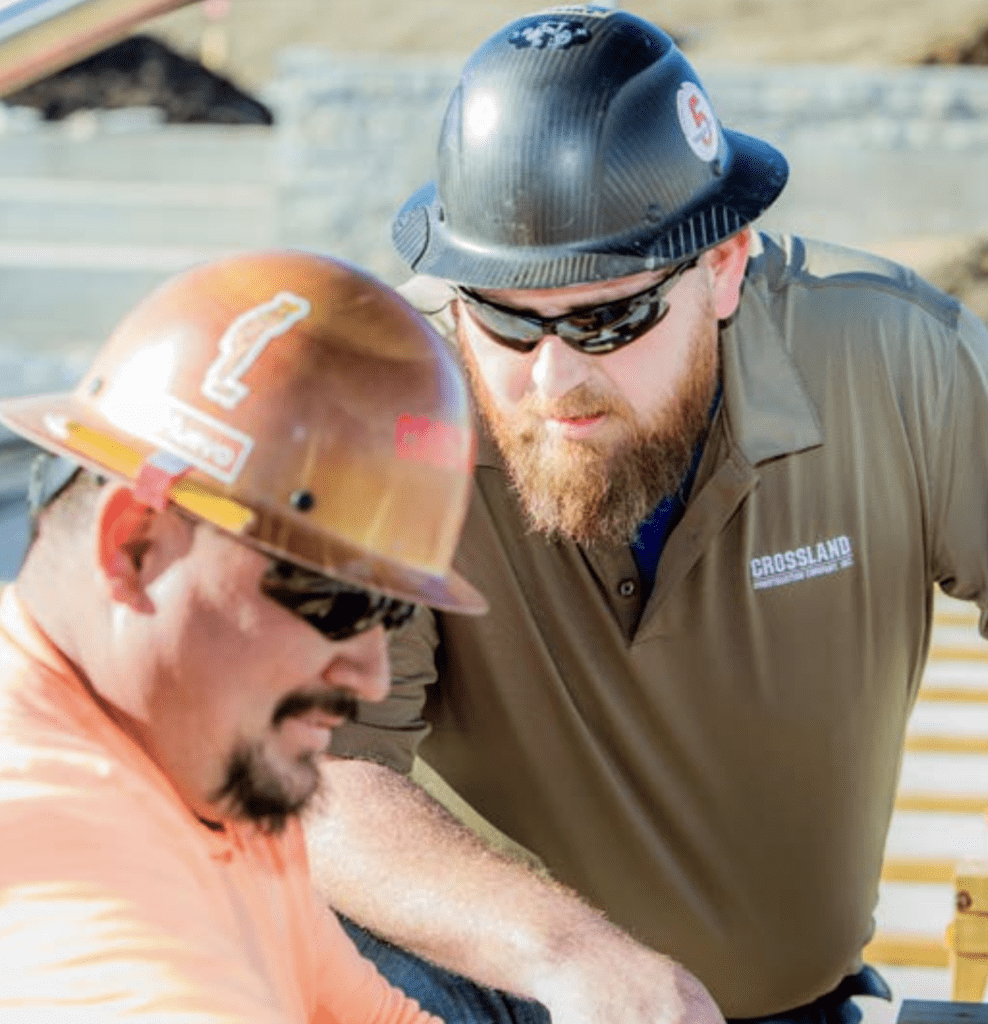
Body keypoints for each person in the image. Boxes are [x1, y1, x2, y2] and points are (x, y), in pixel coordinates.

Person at [303, 6, 988, 1024]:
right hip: (475, 995)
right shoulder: (388, 405)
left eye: (608, 316)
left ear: (721, 267)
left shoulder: (891, 362)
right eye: (501, 316)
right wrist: (569, 954)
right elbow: (317, 774)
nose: (553, 380)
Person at [0, 249, 490, 1021]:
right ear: (134, 547)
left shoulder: (209, 765)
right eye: (336, 601)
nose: (369, 671)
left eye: (392, 612)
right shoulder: (46, 836)